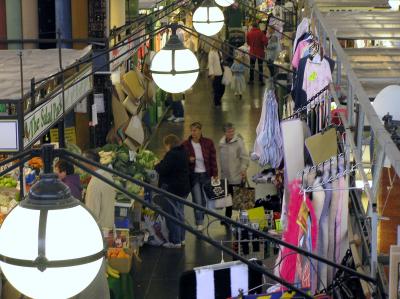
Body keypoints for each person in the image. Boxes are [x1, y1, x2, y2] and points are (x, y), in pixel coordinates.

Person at [155, 134, 191, 248]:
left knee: (172, 215)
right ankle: (182, 238)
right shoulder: (183, 152)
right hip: (183, 188)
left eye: (165, 145)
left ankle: (175, 241)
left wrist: (156, 166)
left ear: (169, 144)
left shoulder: (172, 155)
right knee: (180, 214)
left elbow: (163, 169)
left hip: (173, 190)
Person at [183, 122, 218, 231]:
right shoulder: (185, 145)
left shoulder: (208, 143)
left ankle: (201, 219)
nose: (193, 133)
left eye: (195, 130)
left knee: (204, 201)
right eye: (192, 130)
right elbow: (182, 158)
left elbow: (213, 159)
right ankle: (199, 222)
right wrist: (188, 159)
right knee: (197, 200)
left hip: (206, 175)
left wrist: (215, 174)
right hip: (194, 176)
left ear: (200, 130)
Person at [219, 123, 249, 223]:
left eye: (232, 131)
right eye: (229, 131)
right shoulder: (221, 143)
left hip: (237, 175)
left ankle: (243, 221)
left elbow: (244, 157)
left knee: (240, 199)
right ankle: (227, 218)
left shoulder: (238, 142)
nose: (231, 133)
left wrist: (243, 169)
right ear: (225, 133)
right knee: (228, 198)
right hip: (226, 176)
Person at [83, 150, 116, 229]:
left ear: (89, 162)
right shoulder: (108, 175)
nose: (81, 166)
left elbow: (92, 214)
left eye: (82, 162)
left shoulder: (94, 184)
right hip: (109, 225)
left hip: (100, 230)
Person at [208, 43, 225, 107]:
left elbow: (221, 61)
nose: (219, 45)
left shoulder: (219, 52)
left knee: (222, 88)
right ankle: (216, 102)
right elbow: (210, 64)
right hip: (216, 73)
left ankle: (219, 99)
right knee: (217, 88)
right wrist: (211, 73)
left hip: (221, 72)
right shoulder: (211, 53)